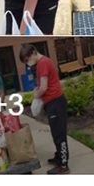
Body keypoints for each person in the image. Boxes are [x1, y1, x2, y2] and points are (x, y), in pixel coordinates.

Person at [20, 44, 69, 174]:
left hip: (55, 102)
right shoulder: (42, 63)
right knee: (55, 132)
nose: (27, 63)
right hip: (52, 103)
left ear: (33, 53)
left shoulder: (43, 63)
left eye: (26, 60)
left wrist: (35, 95)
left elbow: (44, 87)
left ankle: (63, 165)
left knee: (59, 134)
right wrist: (38, 90)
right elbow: (42, 84)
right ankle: (59, 156)